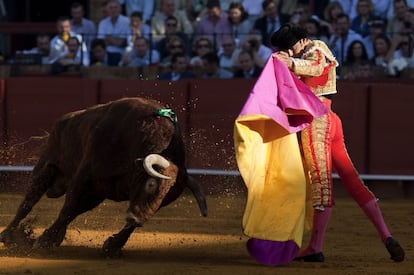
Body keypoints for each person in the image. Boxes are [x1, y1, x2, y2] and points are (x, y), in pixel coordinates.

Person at [271, 23, 405, 263]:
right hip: (330, 118)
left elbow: (315, 65)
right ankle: (386, 236)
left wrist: (290, 63)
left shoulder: (315, 49)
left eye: (289, 48)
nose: (288, 53)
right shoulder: (306, 52)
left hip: (316, 122)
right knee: (351, 180)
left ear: (301, 41)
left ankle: (315, 247)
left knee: (321, 185)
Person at [97, 0, 130, 66]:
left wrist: (108, 38)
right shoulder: (102, 23)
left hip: (123, 52)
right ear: (107, 10)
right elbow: (101, 42)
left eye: (115, 7)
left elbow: (124, 42)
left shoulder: (127, 21)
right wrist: (117, 40)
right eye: (111, 8)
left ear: (120, 9)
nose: (113, 10)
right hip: (107, 53)